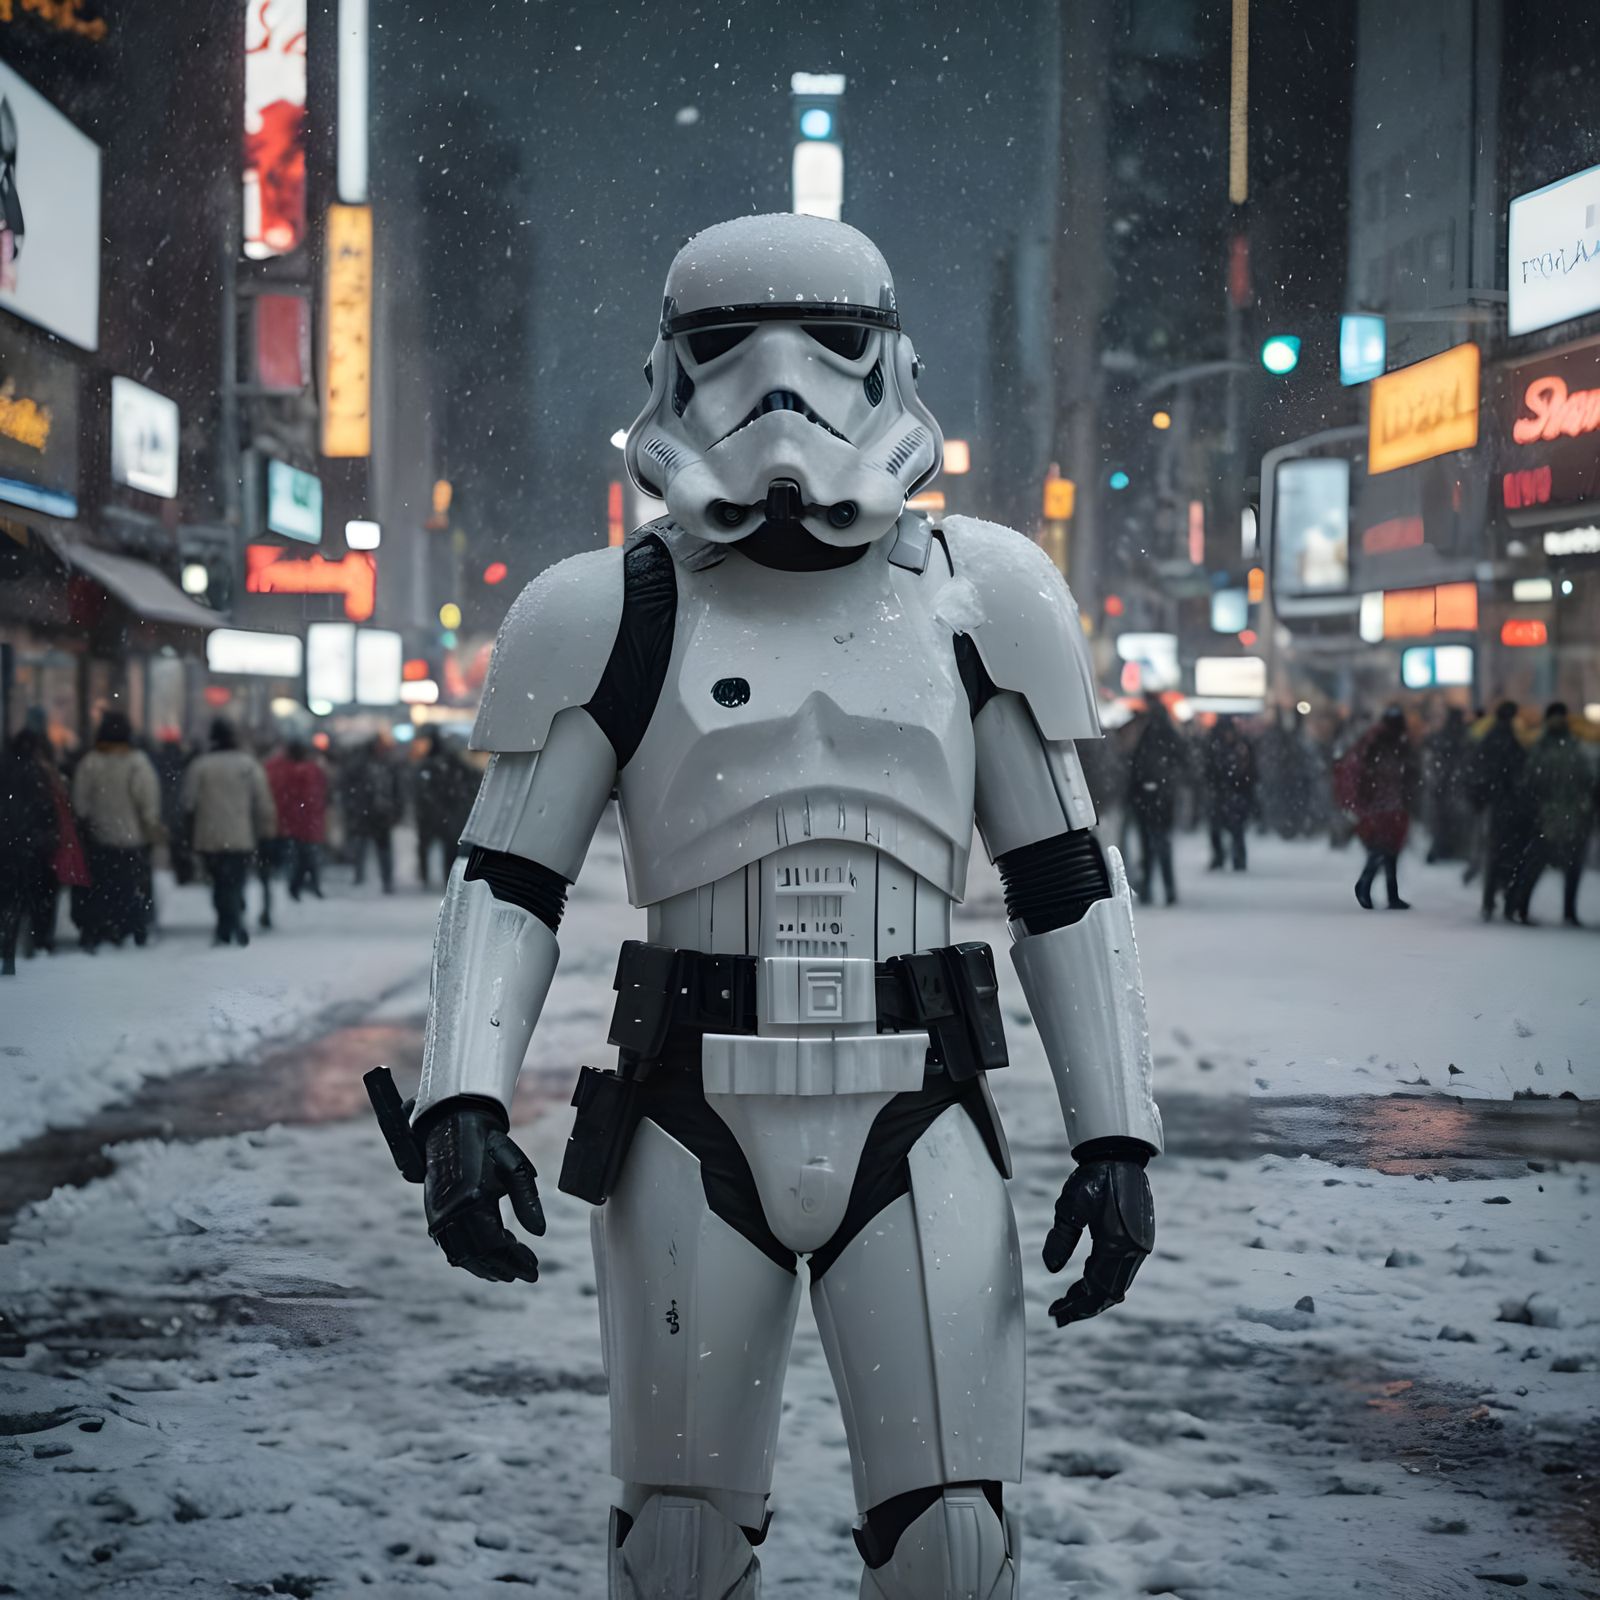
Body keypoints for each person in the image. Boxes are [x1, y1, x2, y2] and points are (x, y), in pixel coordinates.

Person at [384, 215, 1161, 1597]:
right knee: (675, 1542)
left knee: (957, 1547)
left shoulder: (983, 599)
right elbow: (507, 877)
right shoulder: (606, 609)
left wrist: (1119, 1131)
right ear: (673, 369)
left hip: (917, 1108)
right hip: (689, 1105)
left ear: (892, 359)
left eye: (830, 342)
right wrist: (460, 1098)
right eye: (731, 346)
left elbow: (1063, 881)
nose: (781, 386)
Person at [71, 710, 162, 950]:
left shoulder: (90, 762)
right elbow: (147, 801)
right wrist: (150, 825)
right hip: (131, 837)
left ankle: (101, 927)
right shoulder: (137, 762)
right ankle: (129, 926)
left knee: (102, 885)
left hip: (98, 838)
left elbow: (80, 805)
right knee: (129, 886)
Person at [182, 718, 277, 947]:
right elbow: (263, 802)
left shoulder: (201, 765)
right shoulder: (248, 764)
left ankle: (226, 923)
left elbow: (188, 802)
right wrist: (267, 830)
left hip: (209, 835)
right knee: (236, 880)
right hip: (240, 835)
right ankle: (235, 916)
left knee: (218, 882)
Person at [1512, 703, 1596, 926]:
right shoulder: (1571, 747)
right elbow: (1587, 780)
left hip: (1555, 816)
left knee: (1541, 865)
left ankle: (1525, 908)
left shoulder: (1547, 747)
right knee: (1559, 866)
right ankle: (1563, 912)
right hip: (1564, 816)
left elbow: (1530, 782)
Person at [1470, 701, 1536, 922]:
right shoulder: (1515, 738)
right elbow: (1520, 769)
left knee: (1496, 854)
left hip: (1497, 804)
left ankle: (1489, 902)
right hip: (1511, 805)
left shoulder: (1489, 738)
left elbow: (1479, 770)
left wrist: (1481, 798)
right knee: (1512, 854)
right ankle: (1508, 901)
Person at [1349, 705, 1419, 910]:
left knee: (1386, 847)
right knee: (1386, 847)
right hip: (1388, 802)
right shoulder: (1393, 744)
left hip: (1382, 803)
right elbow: (1404, 773)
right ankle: (1371, 886)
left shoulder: (1378, 743)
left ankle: (1384, 891)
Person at [0, 727, 57, 975]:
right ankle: (24, 945)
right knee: (28, 896)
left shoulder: (4, 768)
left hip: (5, 842)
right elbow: (46, 808)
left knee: (6, 898)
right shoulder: (36, 773)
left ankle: (7, 945)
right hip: (27, 845)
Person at [1126, 698, 1187, 904]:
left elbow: (1135, 768)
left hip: (1146, 797)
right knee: (1162, 843)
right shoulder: (1169, 735)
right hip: (1163, 797)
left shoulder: (1145, 735)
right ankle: (1168, 890)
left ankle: (1148, 889)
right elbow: (1183, 761)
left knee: (1148, 846)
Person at [265, 738, 330, 900]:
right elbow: (317, 795)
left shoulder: (277, 768)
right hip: (307, 821)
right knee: (307, 855)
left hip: (287, 820)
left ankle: (297, 884)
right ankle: (306, 883)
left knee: (295, 856)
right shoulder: (311, 770)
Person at [412, 733, 476, 887]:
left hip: (431, 814)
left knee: (427, 847)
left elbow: (419, 790)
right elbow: (469, 786)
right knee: (448, 849)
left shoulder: (427, 765)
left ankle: (426, 877)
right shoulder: (456, 765)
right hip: (446, 815)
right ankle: (446, 879)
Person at [343, 734, 401, 892]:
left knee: (381, 848)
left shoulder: (386, 765)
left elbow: (395, 789)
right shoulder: (363, 766)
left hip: (380, 812)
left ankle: (386, 880)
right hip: (367, 812)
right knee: (364, 846)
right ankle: (360, 876)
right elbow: (350, 788)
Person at [1202, 715, 1255, 871]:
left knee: (1236, 829)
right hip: (1223, 793)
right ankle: (1222, 857)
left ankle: (1237, 859)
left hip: (1234, 793)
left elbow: (1250, 772)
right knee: (1218, 828)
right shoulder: (1217, 748)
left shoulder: (1240, 747)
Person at [1422, 706, 1474, 862]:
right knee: (1456, 818)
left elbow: (1433, 752)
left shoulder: (1442, 736)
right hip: (1456, 783)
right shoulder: (1464, 736)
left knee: (1442, 820)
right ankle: (1454, 850)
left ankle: (1440, 850)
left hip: (1443, 784)